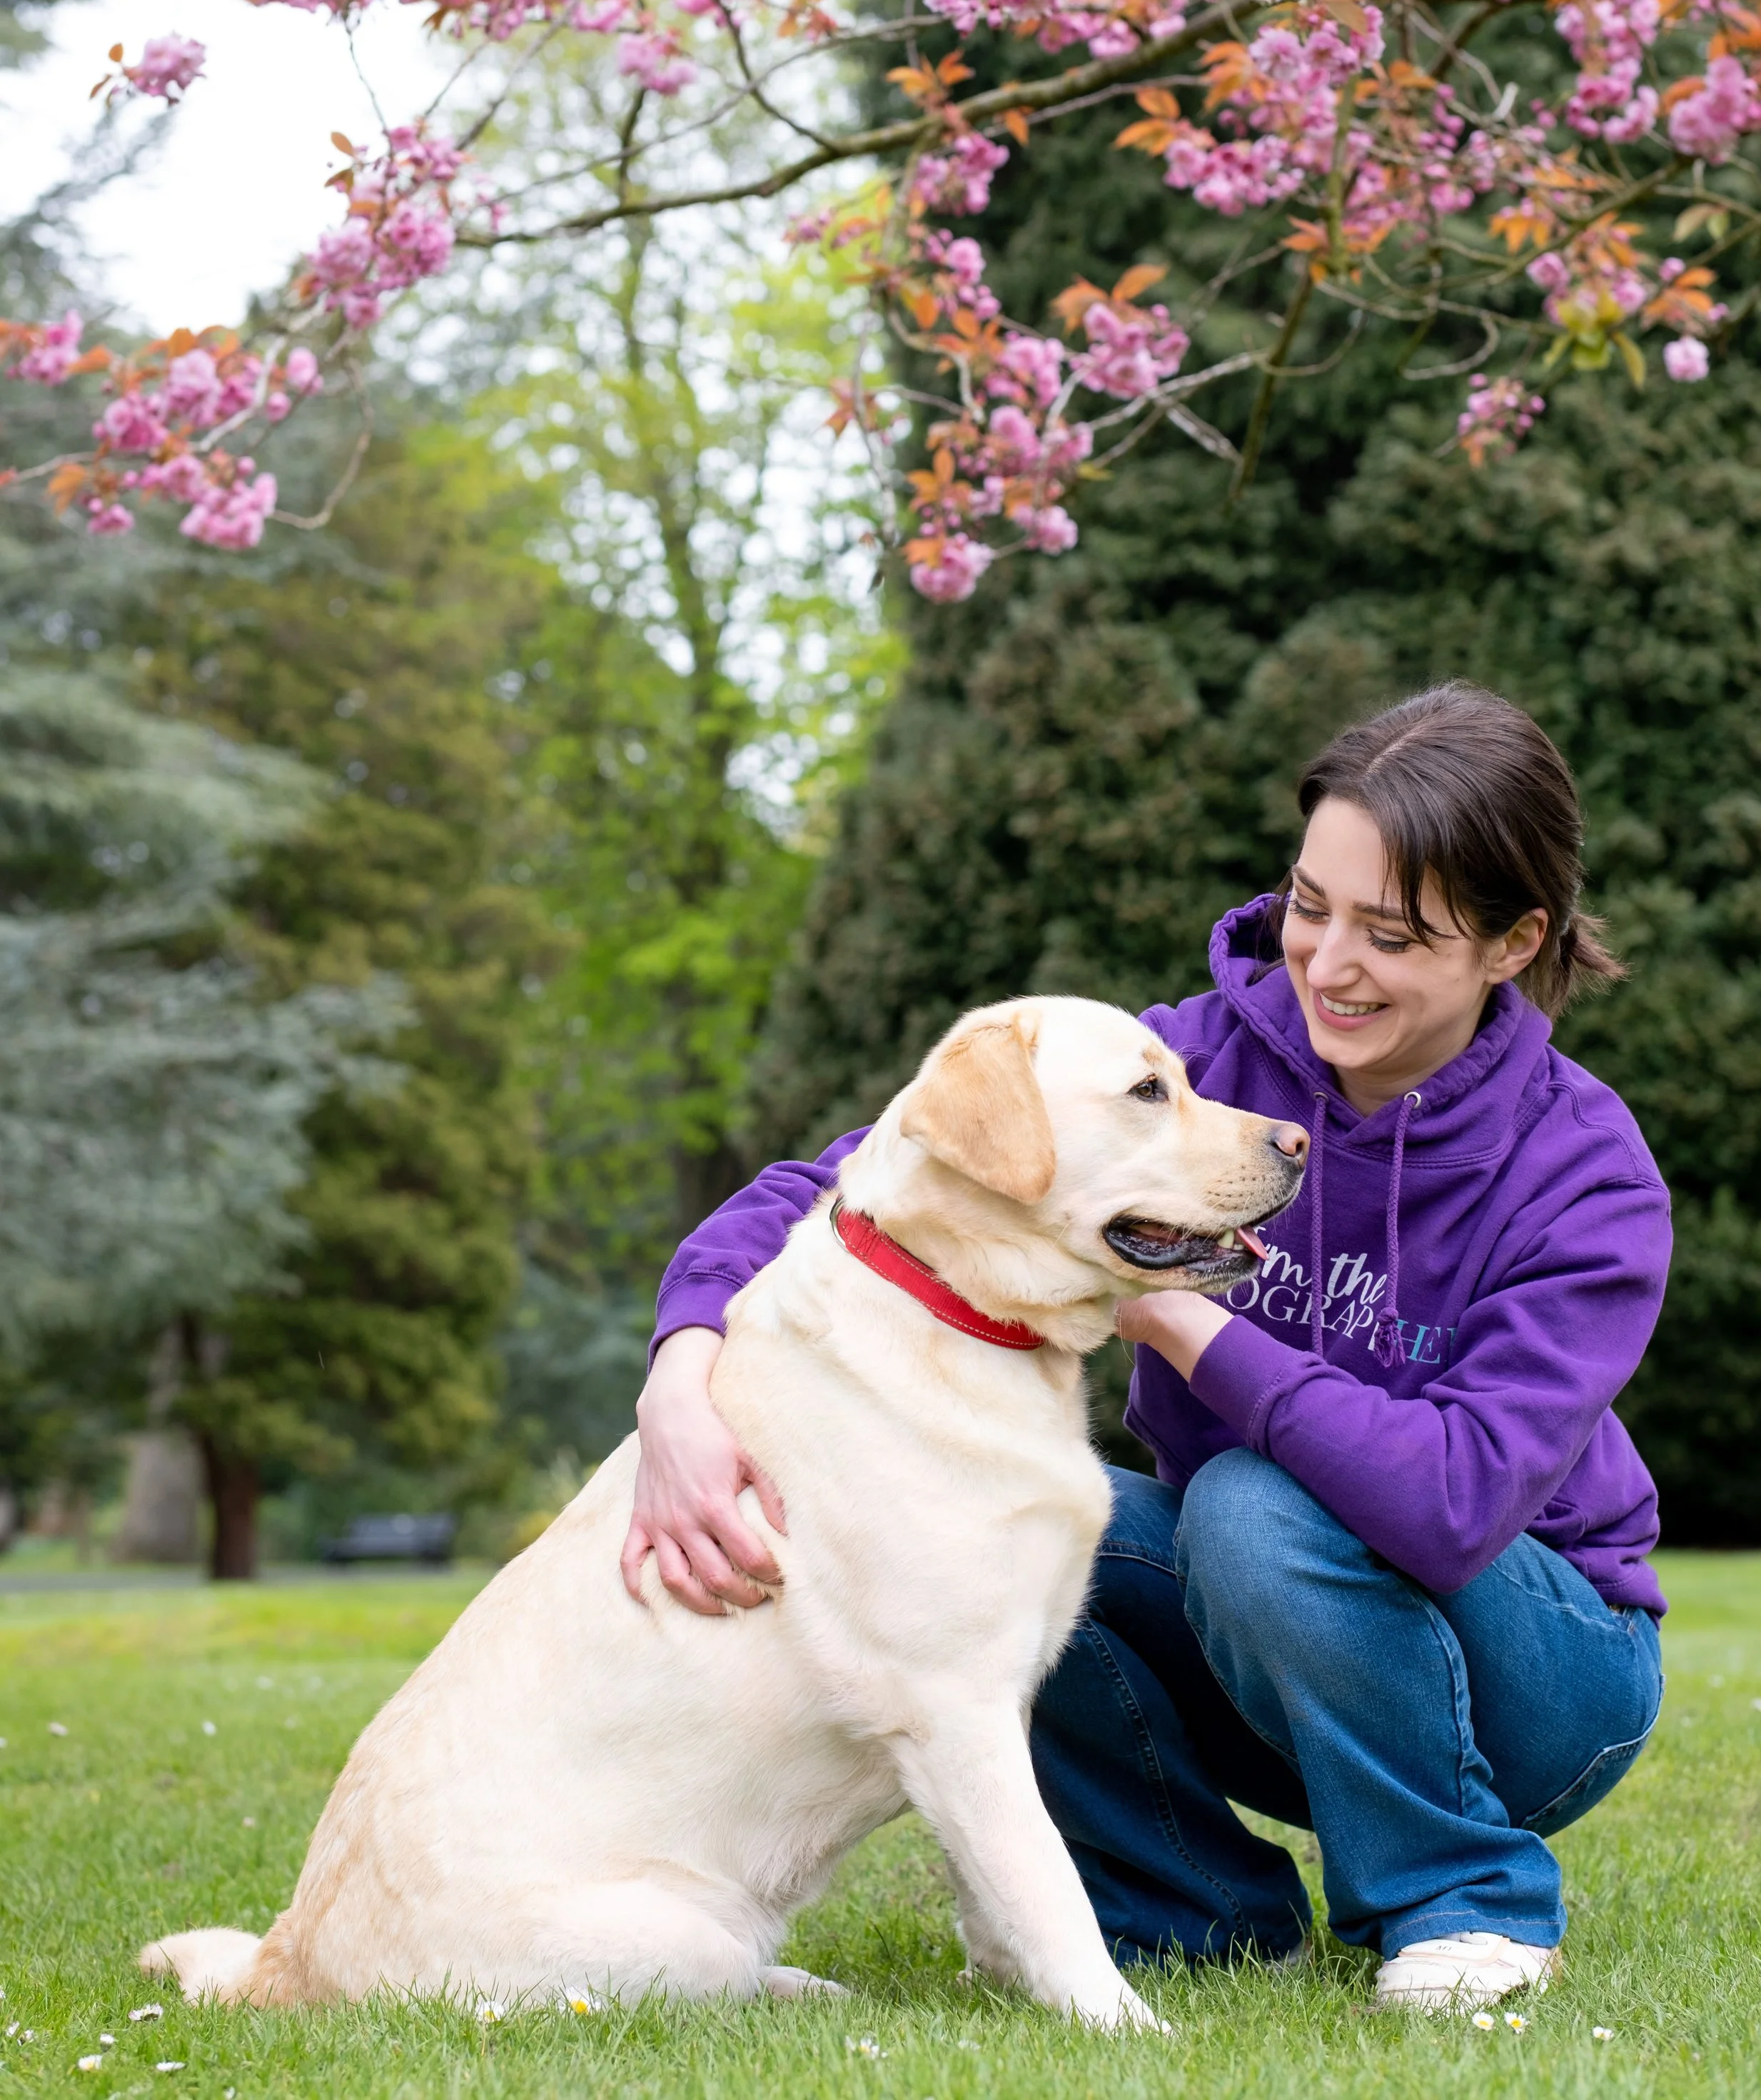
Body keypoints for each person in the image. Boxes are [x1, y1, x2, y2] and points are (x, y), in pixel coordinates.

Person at [625, 683, 1670, 2014]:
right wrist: (683, 1367)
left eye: (1391, 933)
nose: (1329, 963)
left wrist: (1188, 1319)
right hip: (1262, 1627)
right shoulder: (1190, 1058)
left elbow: (1453, 1504)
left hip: (1539, 1676)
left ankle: (1463, 1901)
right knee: (987, 1522)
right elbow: (848, 1179)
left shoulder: (1585, 1172)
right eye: (1310, 905)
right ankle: (1199, 1918)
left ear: (1515, 942)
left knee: (1247, 1503)